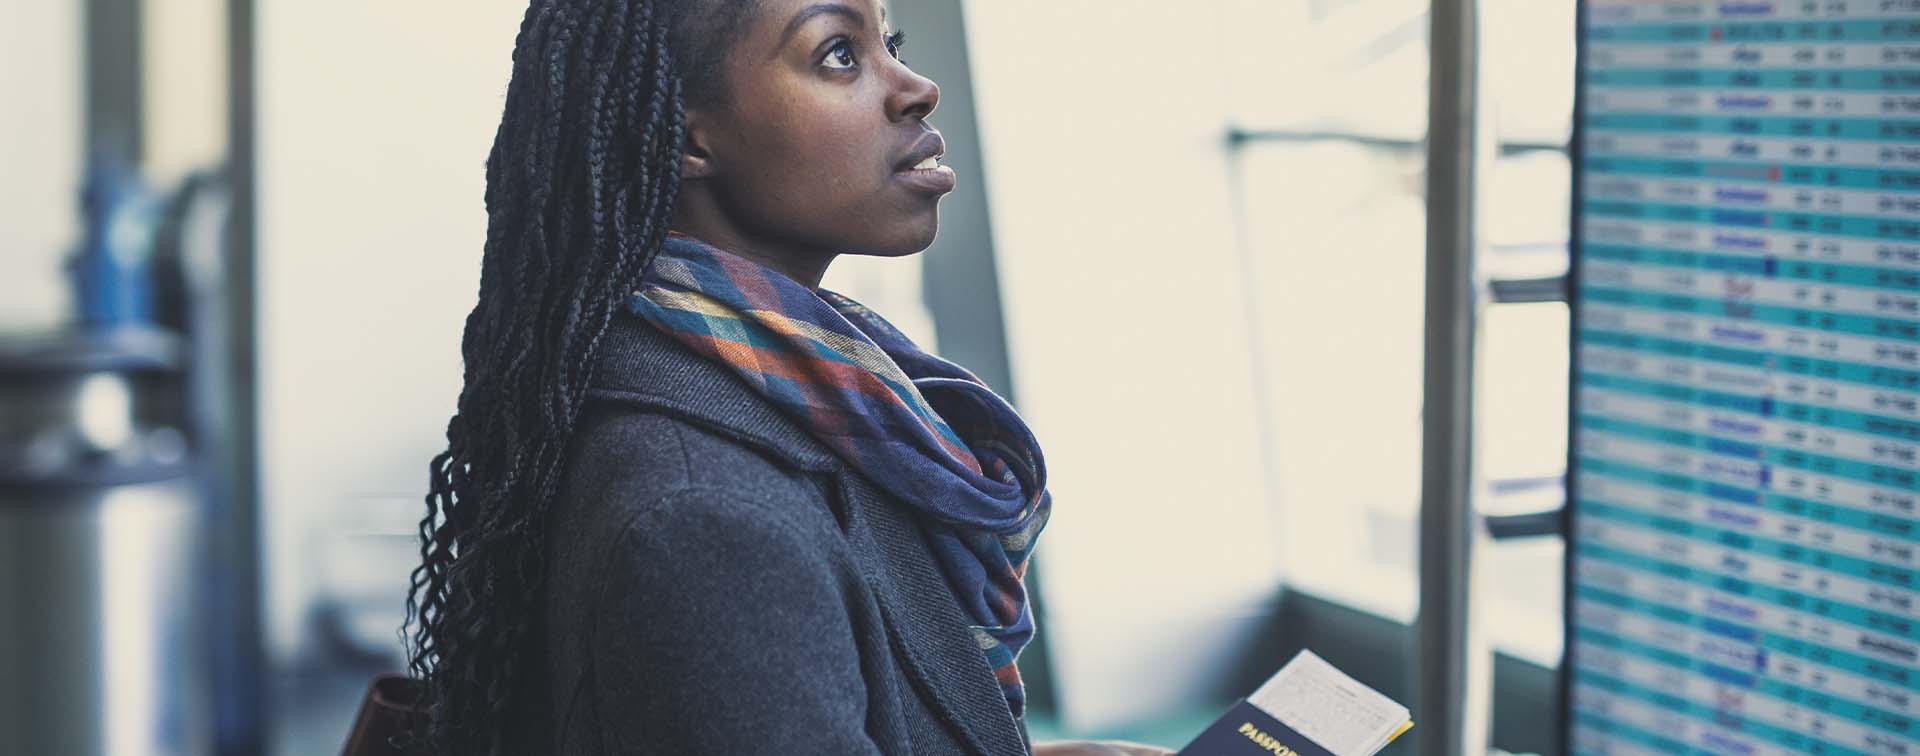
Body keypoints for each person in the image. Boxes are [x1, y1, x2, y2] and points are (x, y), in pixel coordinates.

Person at [401, 0, 1174, 754]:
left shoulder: (797, 396)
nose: (915, 87)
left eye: (889, 42)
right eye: (838, 53)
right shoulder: (707, 516)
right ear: (687, 136)